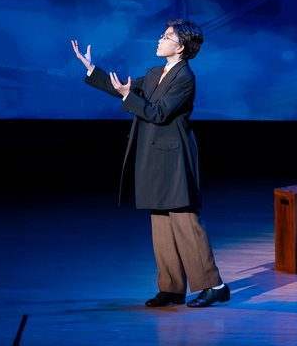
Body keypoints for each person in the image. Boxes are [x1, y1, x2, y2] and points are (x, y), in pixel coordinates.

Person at [71, 20, 230, 308]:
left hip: (174, 157)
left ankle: (214, 285)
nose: (160, 40)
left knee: (185, 222)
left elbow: (158, 113)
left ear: (180, 47)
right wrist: (92, 69)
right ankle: (171, 288)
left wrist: (127, 95)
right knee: (161, 223)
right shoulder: (155, 73)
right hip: (154, 155)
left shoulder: (185, 77)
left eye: (167, 37)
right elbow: (123, 89)